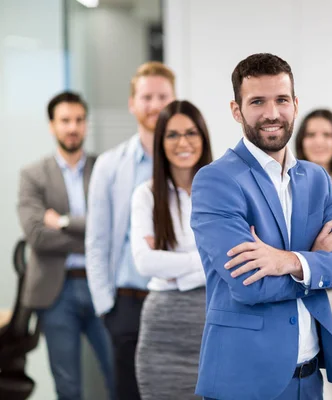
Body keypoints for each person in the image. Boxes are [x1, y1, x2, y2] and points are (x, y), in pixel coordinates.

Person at [191, 53, 332, 400]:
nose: (272, 113)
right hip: (244, 380)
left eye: (281, 100)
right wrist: (316, 264)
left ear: (295, 104)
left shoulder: (316, 179)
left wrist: (288, 261)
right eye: (257, 101)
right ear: (236, 110)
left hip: (309, 378)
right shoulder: (216, 181)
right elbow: (248, 285)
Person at [86, 61, 176, 400]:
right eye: (146, 97)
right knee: (128, 393)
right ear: (132, 103)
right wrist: (104, 306)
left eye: (162, 96)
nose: (154, 105)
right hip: (126, 304)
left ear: (175, 100)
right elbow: (97, 240)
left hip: (177, 299)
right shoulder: (110, 165)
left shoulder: (190, 163)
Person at [17, 91, 115, 400]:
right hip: (56, 293)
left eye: (78, 120)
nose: (72, 127)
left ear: (86, 124)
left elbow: (112, 229)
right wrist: (91, 233)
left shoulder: (105, 169)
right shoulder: (33, 175)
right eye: (65, 121)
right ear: (52, 125)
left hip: (103, 285)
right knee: (68, 386)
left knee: (120, 376)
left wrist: (61, 222)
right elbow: (36, 236)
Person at [131, 100, 213, 399]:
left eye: (191, 133)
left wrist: (175, 269)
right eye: (172, 134)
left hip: (214, 327)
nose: (183, 142)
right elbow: (145, 263)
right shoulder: (147, 195)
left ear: (203, 137)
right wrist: (205, 261)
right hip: (162, 332)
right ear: (160, 141)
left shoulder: (224, 193)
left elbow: (235, 260)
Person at [295, 108, 332, 400]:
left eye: (327, 135)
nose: (319, 141)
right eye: (311, 134)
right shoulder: (288, 186)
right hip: (300, 293)